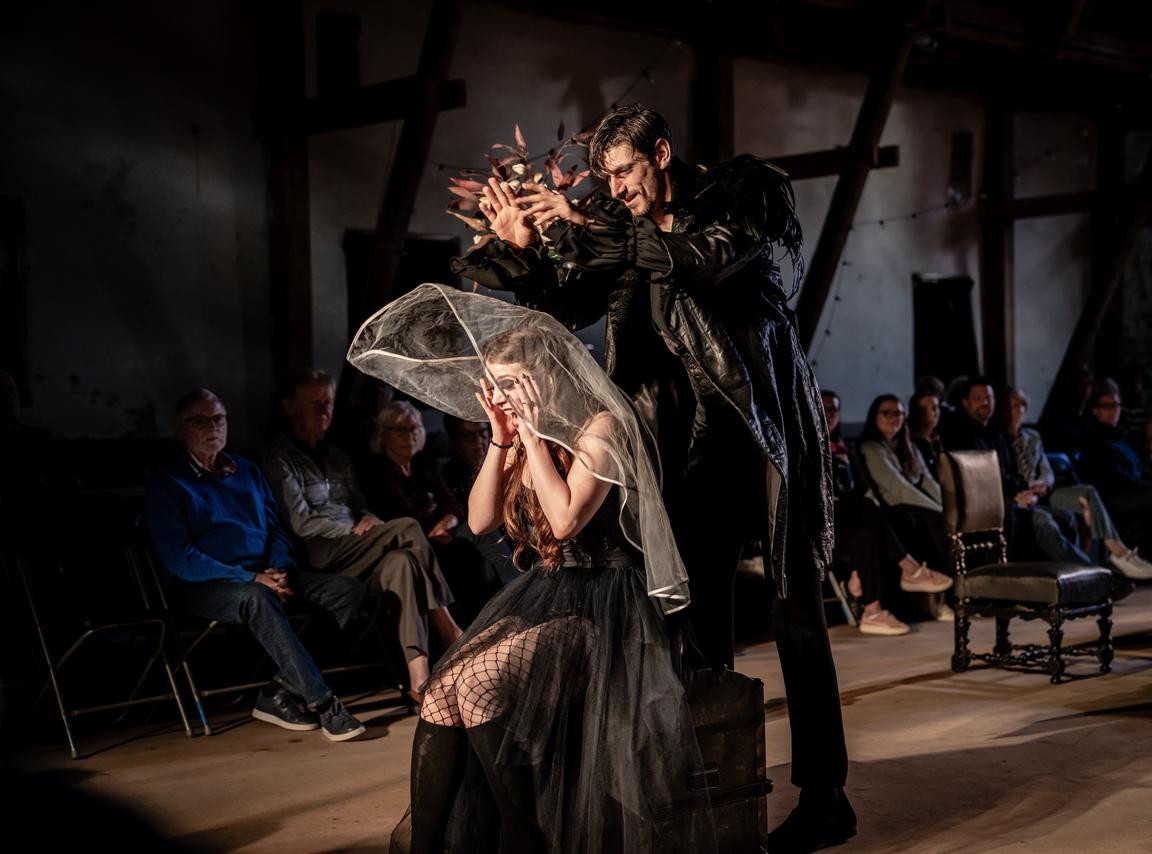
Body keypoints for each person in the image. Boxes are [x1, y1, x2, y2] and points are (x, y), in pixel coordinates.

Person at [452, 104, 852, 850]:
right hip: (684, 444)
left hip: (760, 435)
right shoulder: (624, 229)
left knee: (798, 612)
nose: (616, 186)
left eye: (626, 171)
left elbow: (697, 260)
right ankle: (705, 784)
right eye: (605, 177)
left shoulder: (737, 204)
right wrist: (527, 255)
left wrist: (588, 221)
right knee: (691, 613)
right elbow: (566, 311)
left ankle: (827, 796)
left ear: (661, 153)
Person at [348, 285, 713, 854]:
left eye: (513, 382)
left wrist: (538, 437)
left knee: (479, 685)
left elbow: (566, 520)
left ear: (549, 374)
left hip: (609, 595)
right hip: (550, 588)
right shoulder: (516, 432)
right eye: (495, 384)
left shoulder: (601, 429)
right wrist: (500, 440)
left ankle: (526, 837)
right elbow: (479, 519)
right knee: (445, 689)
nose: (502, 395)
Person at [145, 389, 366, 741]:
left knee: (347, 589)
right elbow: (179, 559)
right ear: (179, 428)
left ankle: (278, 692)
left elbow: (276, 528)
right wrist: (251, 577)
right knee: (257, 597)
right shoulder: (168, 480)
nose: (212, 427)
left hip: (263, 574)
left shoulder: (245, 470)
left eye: (218, 419)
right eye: (200, 421)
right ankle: (325, 704)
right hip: (207, 583)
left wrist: (277, 569)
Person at [263, 369, 462, 701]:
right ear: (289, 407)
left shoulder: (338, 455)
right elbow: (300, 523)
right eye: (313, 403)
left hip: (359, 547)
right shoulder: (279, 456)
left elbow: (361, 506)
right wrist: (354, 531)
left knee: (402, 563)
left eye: (327, 402)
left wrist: (369, 519)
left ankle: (419, 677)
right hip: (321, 550)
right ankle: (448, 627)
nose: (323, 410)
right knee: (409, 528)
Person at [821, 391, 951, 636]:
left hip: (850, 518)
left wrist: (952, 509)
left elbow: (862, 488)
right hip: (820, 523)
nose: (828, 415)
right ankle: (910, 570)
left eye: (834, 410)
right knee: (884, 514)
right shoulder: (805, 446)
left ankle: (872, 610)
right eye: (823, 407)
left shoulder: (843, 448)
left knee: (870, 521)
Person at [360, 400, 501, 624]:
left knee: (470, 551)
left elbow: (452, 503)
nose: (410, 436)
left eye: (414, 429)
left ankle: (490, 619)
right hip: (411, 547)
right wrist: (436, 522)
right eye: (401, 430)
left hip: (442, 536)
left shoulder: (423, 463)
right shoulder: (379, 472)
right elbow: (401, 515)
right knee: (468, 549)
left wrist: (446, 521)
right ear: (384, 434)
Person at [1002, 387, 1152, 580]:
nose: (1014, 412)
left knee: (1087, 493)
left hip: (1044, 491)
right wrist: (1022, 490)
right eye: (1009, 408)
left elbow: (1045, 468)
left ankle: (1119, 552)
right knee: (1069, 514)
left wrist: (1044, 483)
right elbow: (1008, 474)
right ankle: (1103, 567)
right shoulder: (1000, 439)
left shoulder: (1032, 436)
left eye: (1018, 406)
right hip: (1022, 495)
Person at [939, 378, 1093, 566]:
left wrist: (1023, 491)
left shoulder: (997, 435)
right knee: (1043, 520)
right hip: (992, 505)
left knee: (1067, 517)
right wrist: (1013, 498)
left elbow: (1011, 472)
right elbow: (981, 482)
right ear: (965, 403)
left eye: (988, 397)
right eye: (978, 399)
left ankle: (1071, 579)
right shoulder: (962, 438)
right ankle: (1089, 571)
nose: (985, 403)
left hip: (1015, 496)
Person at [440, 414, 519, 586]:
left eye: (483, 433)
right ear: (454, 441)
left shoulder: (503, 466)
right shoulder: (450, 474)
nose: (478, 442)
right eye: (469, 436)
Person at [1078, 382, 1152, 560]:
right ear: (1096, 410)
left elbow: (1139, 469)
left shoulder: (1121, 439)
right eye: (1107, 406)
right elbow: (1114, 478)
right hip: (1111, 497)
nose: (1114, 410)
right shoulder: (1097, 441)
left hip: (1130, 491)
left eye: (1116, 405)